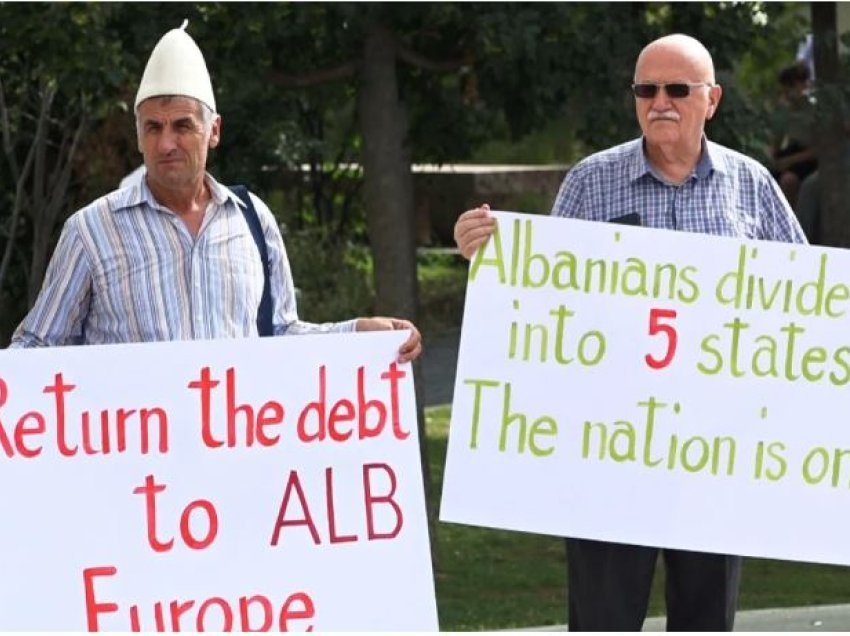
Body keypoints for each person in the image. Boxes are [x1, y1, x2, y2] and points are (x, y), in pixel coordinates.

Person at [454, 34, 806, 632]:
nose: (660, 102)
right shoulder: (591, 182)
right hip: (608, 455)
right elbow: (538, 301)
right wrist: (485, 256)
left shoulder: (753, 186)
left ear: (712, 99)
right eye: (646, 89)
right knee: (603, 619)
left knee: (705, 619)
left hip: (714, 456)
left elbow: (803, 305)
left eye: (677, 89)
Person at [9, 21, 421, 364]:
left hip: (231, 459)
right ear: (138, 135)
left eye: (182, 126)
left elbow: (280, 333)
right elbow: (37, 347)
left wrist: (361, 336)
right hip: (139, 459)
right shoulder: (91, 231)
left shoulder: (252, 220)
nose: (166, 142)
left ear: (215, 131)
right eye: (153, 127)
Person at [769, 63, 817, 210]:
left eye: (792, 86)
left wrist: (788, 161)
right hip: (790, 152)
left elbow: (819, 149)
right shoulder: (785, 111)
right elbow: (776, 142)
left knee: (788, 181)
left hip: (808, 159)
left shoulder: (814, 110)